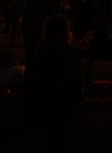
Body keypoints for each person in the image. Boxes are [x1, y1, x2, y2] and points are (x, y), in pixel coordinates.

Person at [23, 14, 83, 153]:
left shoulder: (41, 51)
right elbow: (76, 79)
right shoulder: (69, 53)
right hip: (61, 100)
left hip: (44, 99)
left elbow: (32, 78)